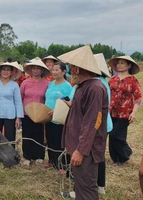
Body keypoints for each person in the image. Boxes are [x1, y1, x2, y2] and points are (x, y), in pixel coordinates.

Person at [59, 45, 108, 200]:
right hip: (81, 145)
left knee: (86, 186)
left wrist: (81, 150)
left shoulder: (94, 88)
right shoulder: (84, 86)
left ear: (78, 69)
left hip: (87, 149)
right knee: (81, 183)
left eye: (72, 67)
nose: (70, 70)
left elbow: (92, 121)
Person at [108, 56, 141, 164]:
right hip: (111, 111)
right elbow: (107, 94)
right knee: (112, 135)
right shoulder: (113, 79)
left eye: (122, 63)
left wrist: (134, 112)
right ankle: (117, 158)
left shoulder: (133, 80)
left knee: (116, 134)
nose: (119, 65)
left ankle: (126, 153)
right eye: (118, 63)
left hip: (125, 112)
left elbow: (138, 98)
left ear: (129, 65)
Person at [20, 58, 50, 166]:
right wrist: (18, 116)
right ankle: (27, 156)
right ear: (31, 70)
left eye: (38, 68)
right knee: (27, 134)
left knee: (39, 134)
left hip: (40, 114)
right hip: (26, 113)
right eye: (34, 68)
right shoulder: (25, 83)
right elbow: (21, 97)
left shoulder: (46, 84)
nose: (36, 70)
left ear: (42, 70)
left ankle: (39, 156)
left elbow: (47, 99)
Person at [0, 61, 24, 148]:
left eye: (8, 70)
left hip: (10, 114)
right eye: (4, 69)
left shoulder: (14, 85)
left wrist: (18, 117)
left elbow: (18, 101)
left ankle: (11, 158)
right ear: (0, 71)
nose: (5, 72)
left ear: (11, 72)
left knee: (10, 137)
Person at [44, 61, 72, 170]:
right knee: (49, 139)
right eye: (53, 70)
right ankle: (51, 160)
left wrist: (57, 110)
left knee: (59, 140)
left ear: (64, 71)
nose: (54, 72)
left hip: (59, 118)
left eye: (57, 70)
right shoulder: (50, 84)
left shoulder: (67, 86)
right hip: (48, 116)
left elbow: (68, 102)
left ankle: (61, 163)